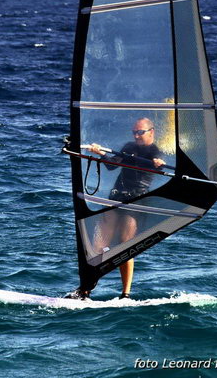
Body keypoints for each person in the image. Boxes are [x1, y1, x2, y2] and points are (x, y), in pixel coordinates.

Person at [68, 118, 165, 300]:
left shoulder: (155, 152)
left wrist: (159, 164)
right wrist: (100, 153)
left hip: (137, 200)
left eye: (140, 132)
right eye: (134, 132)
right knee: (98, 243)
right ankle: (85, 289)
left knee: (124, 244)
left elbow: (157, 169)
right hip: (117, 196)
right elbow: (112, 165)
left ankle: (125, 294)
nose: (136, 136)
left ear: (151, 132)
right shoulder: (129, 147)